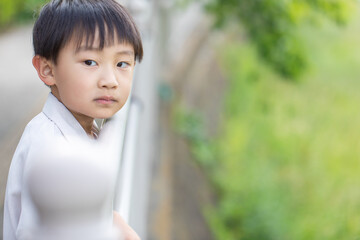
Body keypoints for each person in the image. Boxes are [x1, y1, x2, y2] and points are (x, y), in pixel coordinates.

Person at [3, 0, 143, 239]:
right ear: (47, 70)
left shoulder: (80, 128)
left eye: (122, 63)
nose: (110, 80)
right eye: (90, 62)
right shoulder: (49, 150)